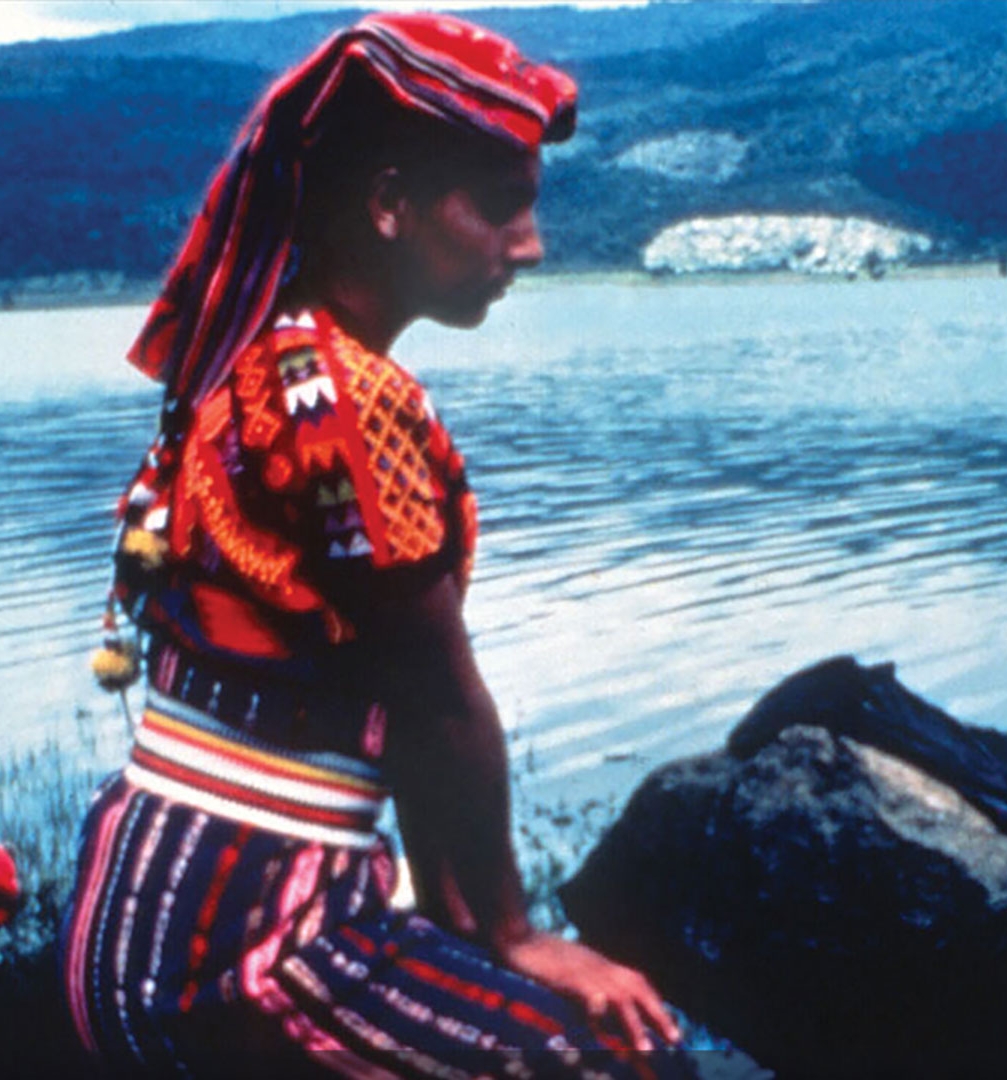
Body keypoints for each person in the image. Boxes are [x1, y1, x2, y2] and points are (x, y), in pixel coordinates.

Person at [61, 14, 701, 1079]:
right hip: (235, 940)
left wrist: (457, 912)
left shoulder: (263, 357)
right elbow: (439, 701)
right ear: (391, 202)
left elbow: (392, 703)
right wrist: (512, 935)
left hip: (134, 905)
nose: (530, 246)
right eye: (500, 205)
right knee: (613, 1062)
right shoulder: (343, 402)